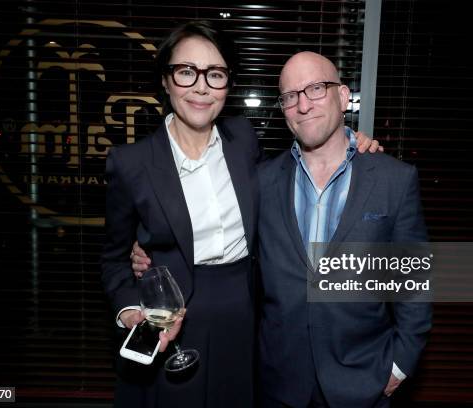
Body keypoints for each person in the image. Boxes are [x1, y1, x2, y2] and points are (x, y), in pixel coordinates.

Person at [102, 21, 379, 408]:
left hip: (243, 319)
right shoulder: (130, 163)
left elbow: (294, 177)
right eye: (186, 72)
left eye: (214, 75)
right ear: (165, 81)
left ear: (227, 85)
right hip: (171, 324)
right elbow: (114, 260)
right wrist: (132, 312)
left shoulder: (243, 140)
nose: (201, 87)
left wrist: (351, 141)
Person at [256, 52, 432, 407]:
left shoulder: (392, 179)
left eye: (316, 88)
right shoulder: (260, 181)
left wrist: (399, 365)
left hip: (363, 381)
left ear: (342, 96)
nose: (303, 105)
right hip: (279, 381)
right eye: (290, 96)